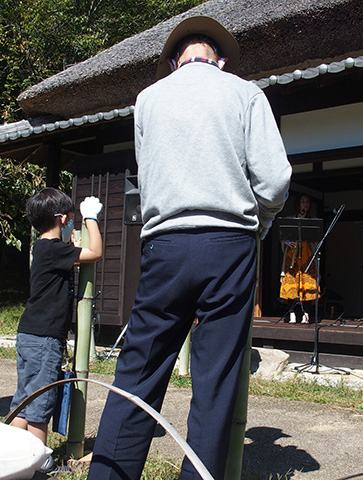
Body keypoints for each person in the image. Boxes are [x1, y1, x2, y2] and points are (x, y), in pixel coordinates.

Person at [87, 15, 291, 480]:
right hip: (229, 243)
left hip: (165, 244)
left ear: (175, 60)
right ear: (218, 59)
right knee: (215, 380)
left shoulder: (148, 99)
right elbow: (276, 179)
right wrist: (261, 222)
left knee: (139, 370)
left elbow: (148, 170)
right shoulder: (244, 92)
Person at [9, 188, 103, 473]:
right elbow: (96, 252)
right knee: (40, 401)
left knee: (25, 398)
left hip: (29, 333)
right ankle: (40, 464)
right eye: (72, 219)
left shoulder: (43, 248)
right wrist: (91, 219)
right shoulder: (53, 250)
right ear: (63, 219)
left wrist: (73, 239)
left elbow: (75, 256)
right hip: (44, 338)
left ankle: (13, 454)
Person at [279, 194, 318, 324]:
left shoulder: (312, 220)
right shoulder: (290, 219)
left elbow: (316, 240)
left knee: (307, 284)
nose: (305, 204)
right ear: (298, 204)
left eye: (307, 202)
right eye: (302, 201)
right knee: (291, 284)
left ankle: (306, 314)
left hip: (307, 255)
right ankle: (292, 314)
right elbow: (282, 236)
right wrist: (286, 242)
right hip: (292, 255)